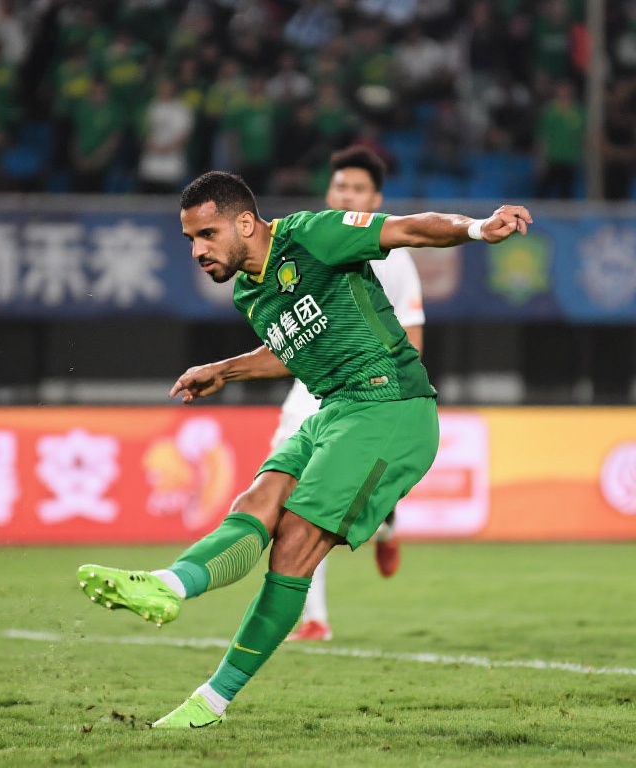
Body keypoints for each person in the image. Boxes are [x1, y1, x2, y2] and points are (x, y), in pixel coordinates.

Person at [76, 170, 532, 728]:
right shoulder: (249, 291)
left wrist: (480, 228)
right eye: (191, 239)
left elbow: (409, 229)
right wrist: (224, 369)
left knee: (294, 545)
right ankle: (169, 585)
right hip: (333, 411)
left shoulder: (311, 236)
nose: (198, 251)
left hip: (389, 407)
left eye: (208, 234)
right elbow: (290, 349)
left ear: (246, 223)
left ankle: (211, 701)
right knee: (257, 502)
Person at [276, 146, 425, 643]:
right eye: (341, 186)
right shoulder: (303, 247)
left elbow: (412, 337)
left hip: (369, 397)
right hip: (308, 394)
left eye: (359, 189)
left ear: (376, 200)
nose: (347, 195)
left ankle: (384, 523)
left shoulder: (395, 257)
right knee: (297, 500)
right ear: (328, 192)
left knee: (340, 504)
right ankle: (314, 617)